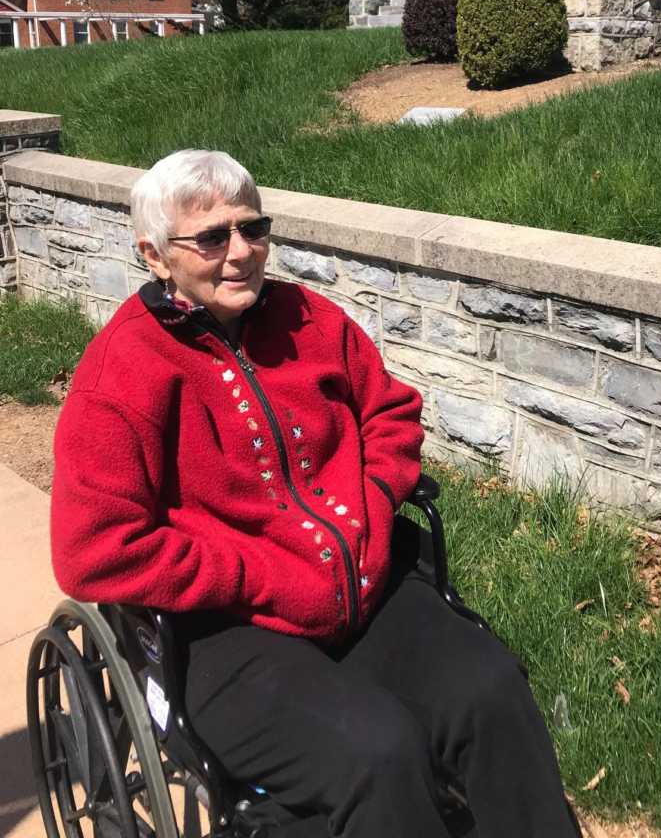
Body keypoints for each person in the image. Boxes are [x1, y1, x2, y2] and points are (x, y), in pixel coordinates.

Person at [51, 149, 580, 838]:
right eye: (213, 237)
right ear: (157, 256)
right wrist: (251, 574)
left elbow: (389, 412)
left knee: (490, 692)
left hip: (360, 589)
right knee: (379, 754)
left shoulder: (308, 318)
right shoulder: (123, 373)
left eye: (253, 229)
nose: (241, 253)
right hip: (226, 636)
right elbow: (94, 551)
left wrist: (372, 502)